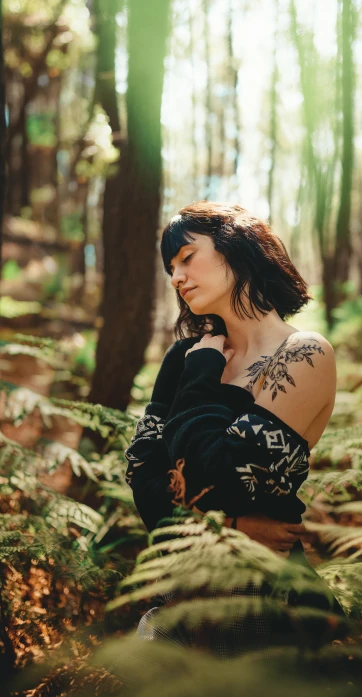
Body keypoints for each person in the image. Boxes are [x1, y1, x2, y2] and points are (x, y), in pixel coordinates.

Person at [125, 201, 339, 652]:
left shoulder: (303, 354)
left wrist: (201, 380)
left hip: (263, 601)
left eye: (187, 257)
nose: (176, 277)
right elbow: (142, 476)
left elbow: (230, 475)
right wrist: (237, 526)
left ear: (237, 249)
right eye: (170, 267)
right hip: (179, 592)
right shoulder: (184, 357)